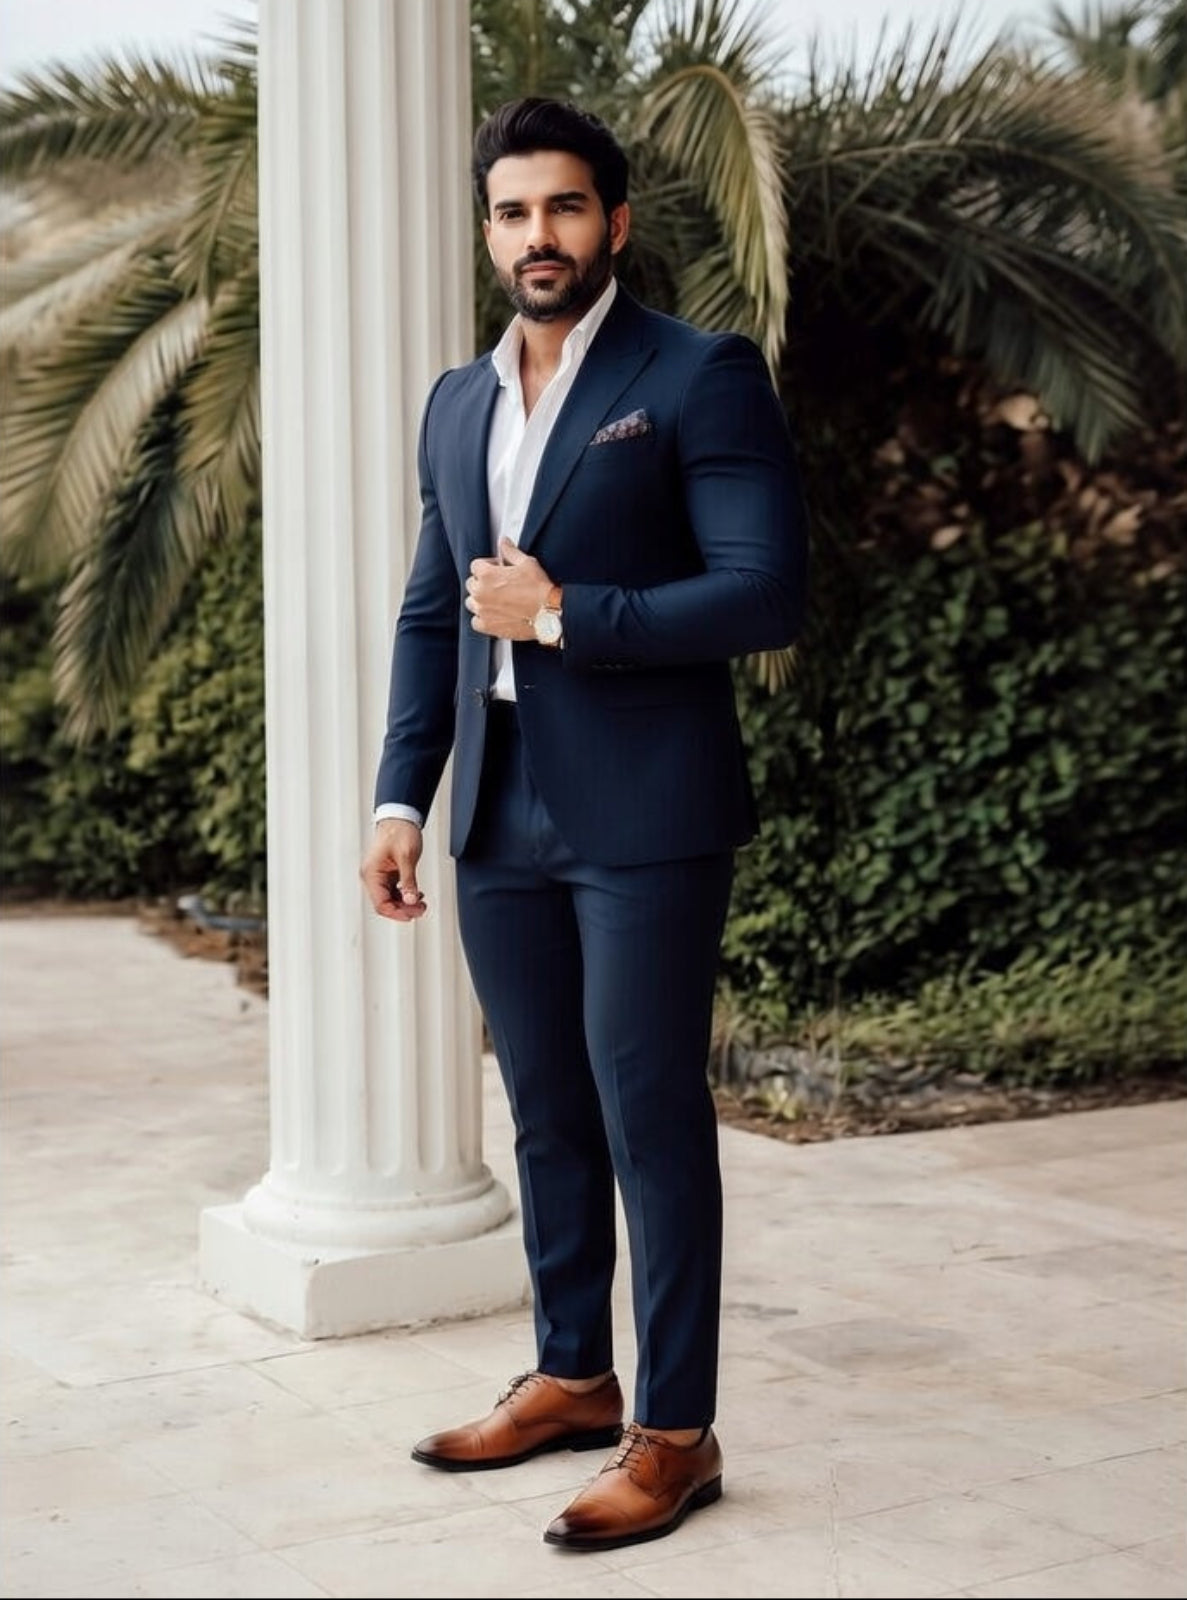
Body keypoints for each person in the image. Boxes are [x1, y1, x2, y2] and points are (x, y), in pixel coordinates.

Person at [360, 96, 808, 1552]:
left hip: (645, 812)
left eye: (562, 207)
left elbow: (764, 591)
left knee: (648, 1114)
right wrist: (401, 796)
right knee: (547, 1110)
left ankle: (675, 1432)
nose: (535, 236)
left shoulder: (696, 373)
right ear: (488, 230)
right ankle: (570, 1376)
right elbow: (434, 614)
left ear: (614, 222)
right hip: (497, 804)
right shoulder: (457, 400)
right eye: (511, 212)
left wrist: (563, 614)